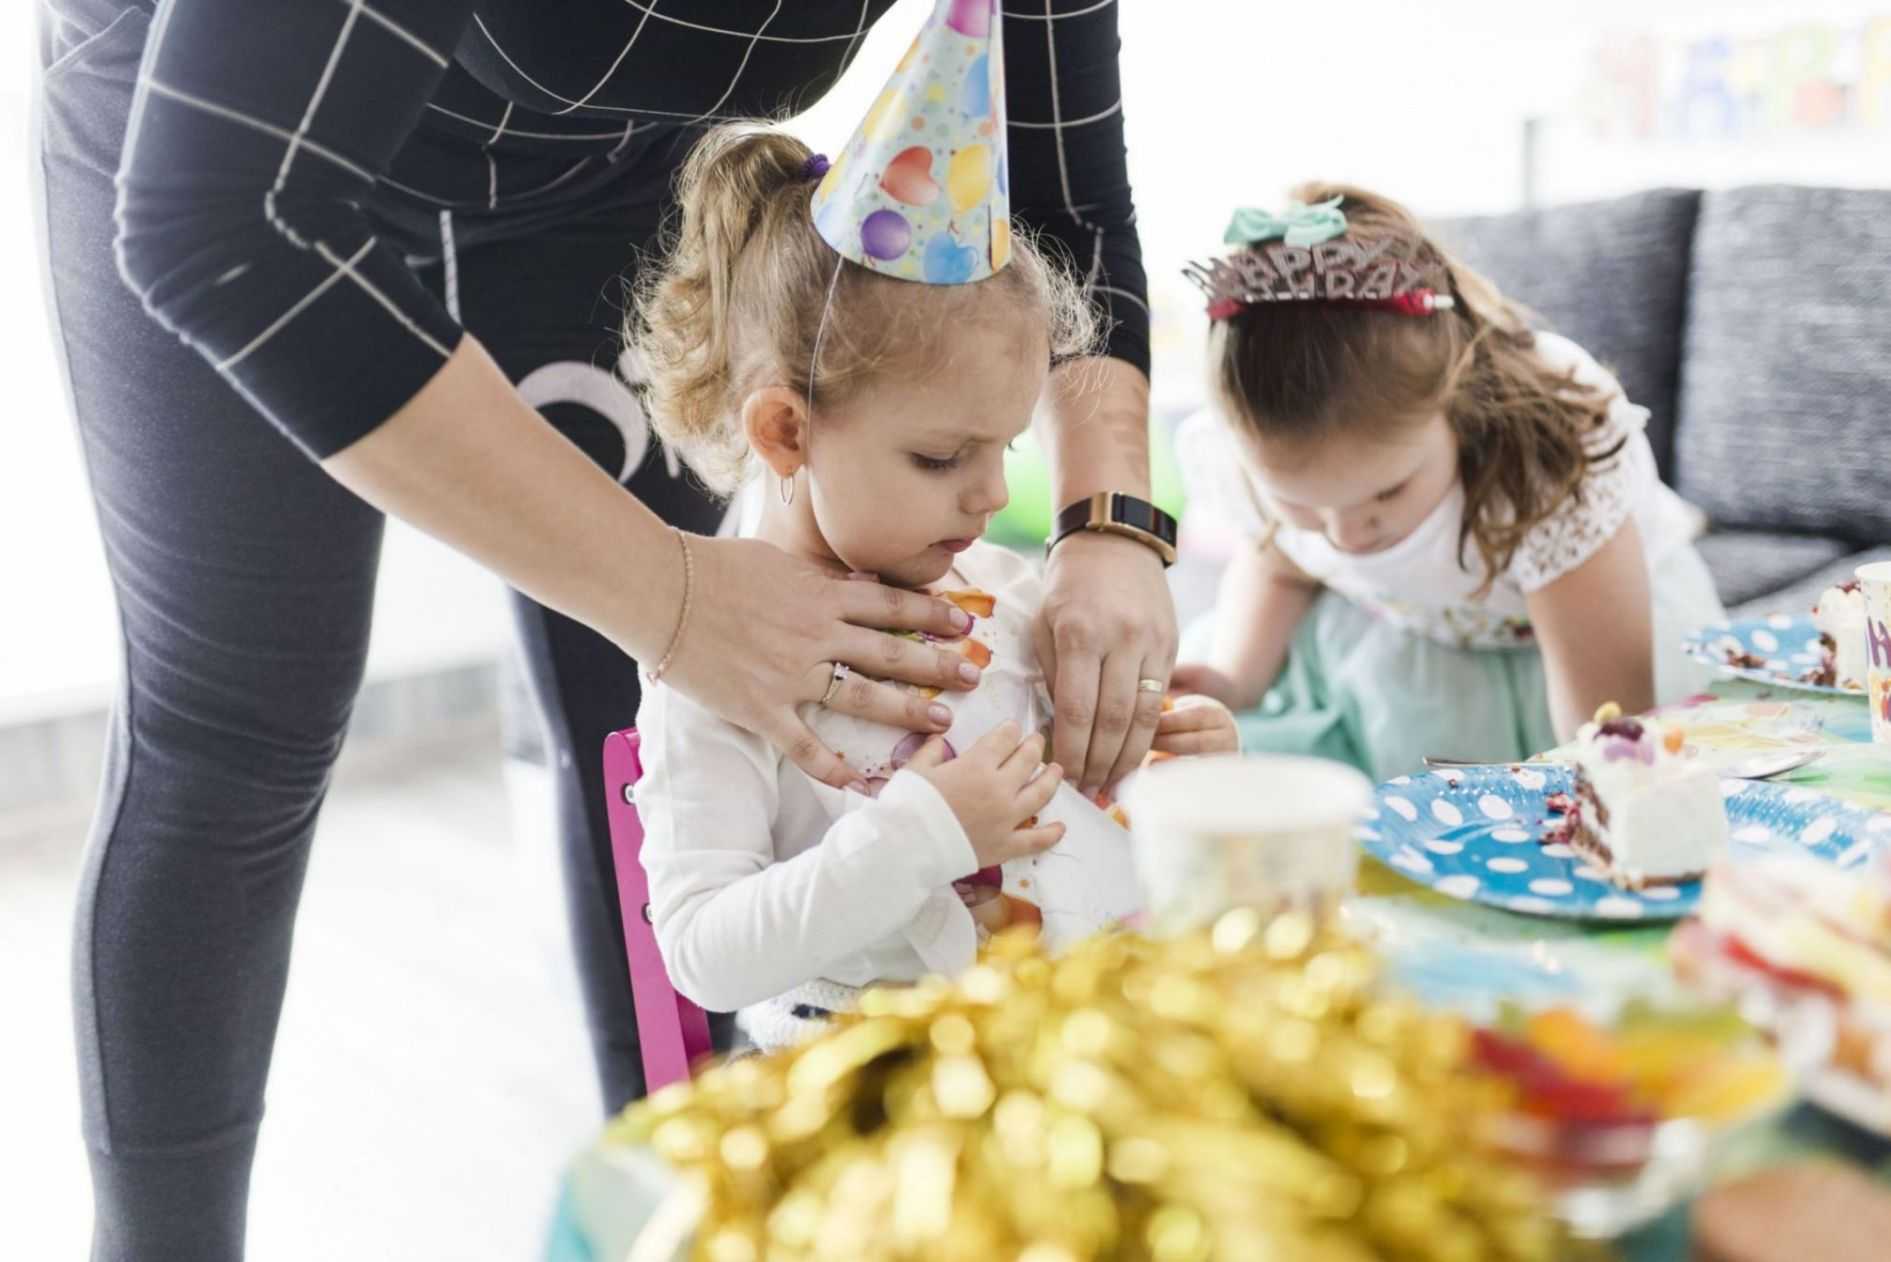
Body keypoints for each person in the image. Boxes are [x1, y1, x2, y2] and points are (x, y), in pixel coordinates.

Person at [31, 2, 1167, 1257]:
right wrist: (671, 594)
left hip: (597, 166)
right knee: (242, 729)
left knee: (614, 703)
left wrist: (1112, 531)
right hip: (233, 171)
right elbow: (224, 222)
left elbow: (1064, 188)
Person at [627, 118, 1237, 1049]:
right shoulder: (718, 661)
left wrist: (1167, 785)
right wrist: (922, 835)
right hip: (858, 1073)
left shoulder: (1011, 601)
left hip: (1057, 1040)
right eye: (942, 456)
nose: (993, 493)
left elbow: (1075, 847)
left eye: (1005, 446)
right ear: (786, 432)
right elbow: (704, 954)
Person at [1173, 183, 1724, 781]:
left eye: (1387, 493)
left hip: (1572, 642)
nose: (1347, 535)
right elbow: (1281, 562)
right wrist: (1235, 677)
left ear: (1458, 403)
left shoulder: (1548, 464)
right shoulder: (1261, 457)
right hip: (1399, 638)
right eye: (1303, 504)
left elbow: (1604, 729)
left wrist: (1606, 782)